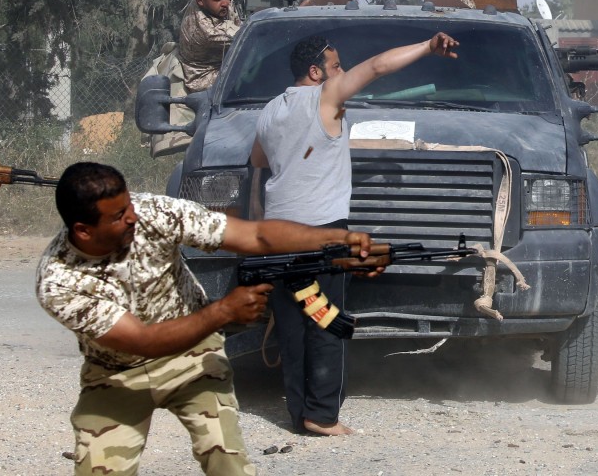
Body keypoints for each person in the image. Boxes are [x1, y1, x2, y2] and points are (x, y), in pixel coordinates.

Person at [35, 161, 373, 476]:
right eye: (119, 215)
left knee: (227, 460)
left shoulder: (155, 213)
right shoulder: (59, 281)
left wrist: (336, 240)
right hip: (117, 375)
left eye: (130, 205)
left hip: (194, 357)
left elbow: (256, 236)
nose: (133, 217)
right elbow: (143, 341)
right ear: (83, 230)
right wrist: (224, 311)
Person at [250, 31, 460, 436]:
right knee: (325, 320)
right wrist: (427, 47)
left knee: (292, 326)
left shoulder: (270, 110)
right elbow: (379, 66)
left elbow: (258, 160)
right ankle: (323, 416)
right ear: (316, 72)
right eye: (335, 66)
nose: (342, 73)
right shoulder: (323, 99)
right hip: (321, 235)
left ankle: (300, 414)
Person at [178, 0, 243, 94]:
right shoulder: (206, 31)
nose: (226, 3)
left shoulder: (215, 3)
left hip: (224, 62)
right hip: (205, 78)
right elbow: (246, 38)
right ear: (200, 1)